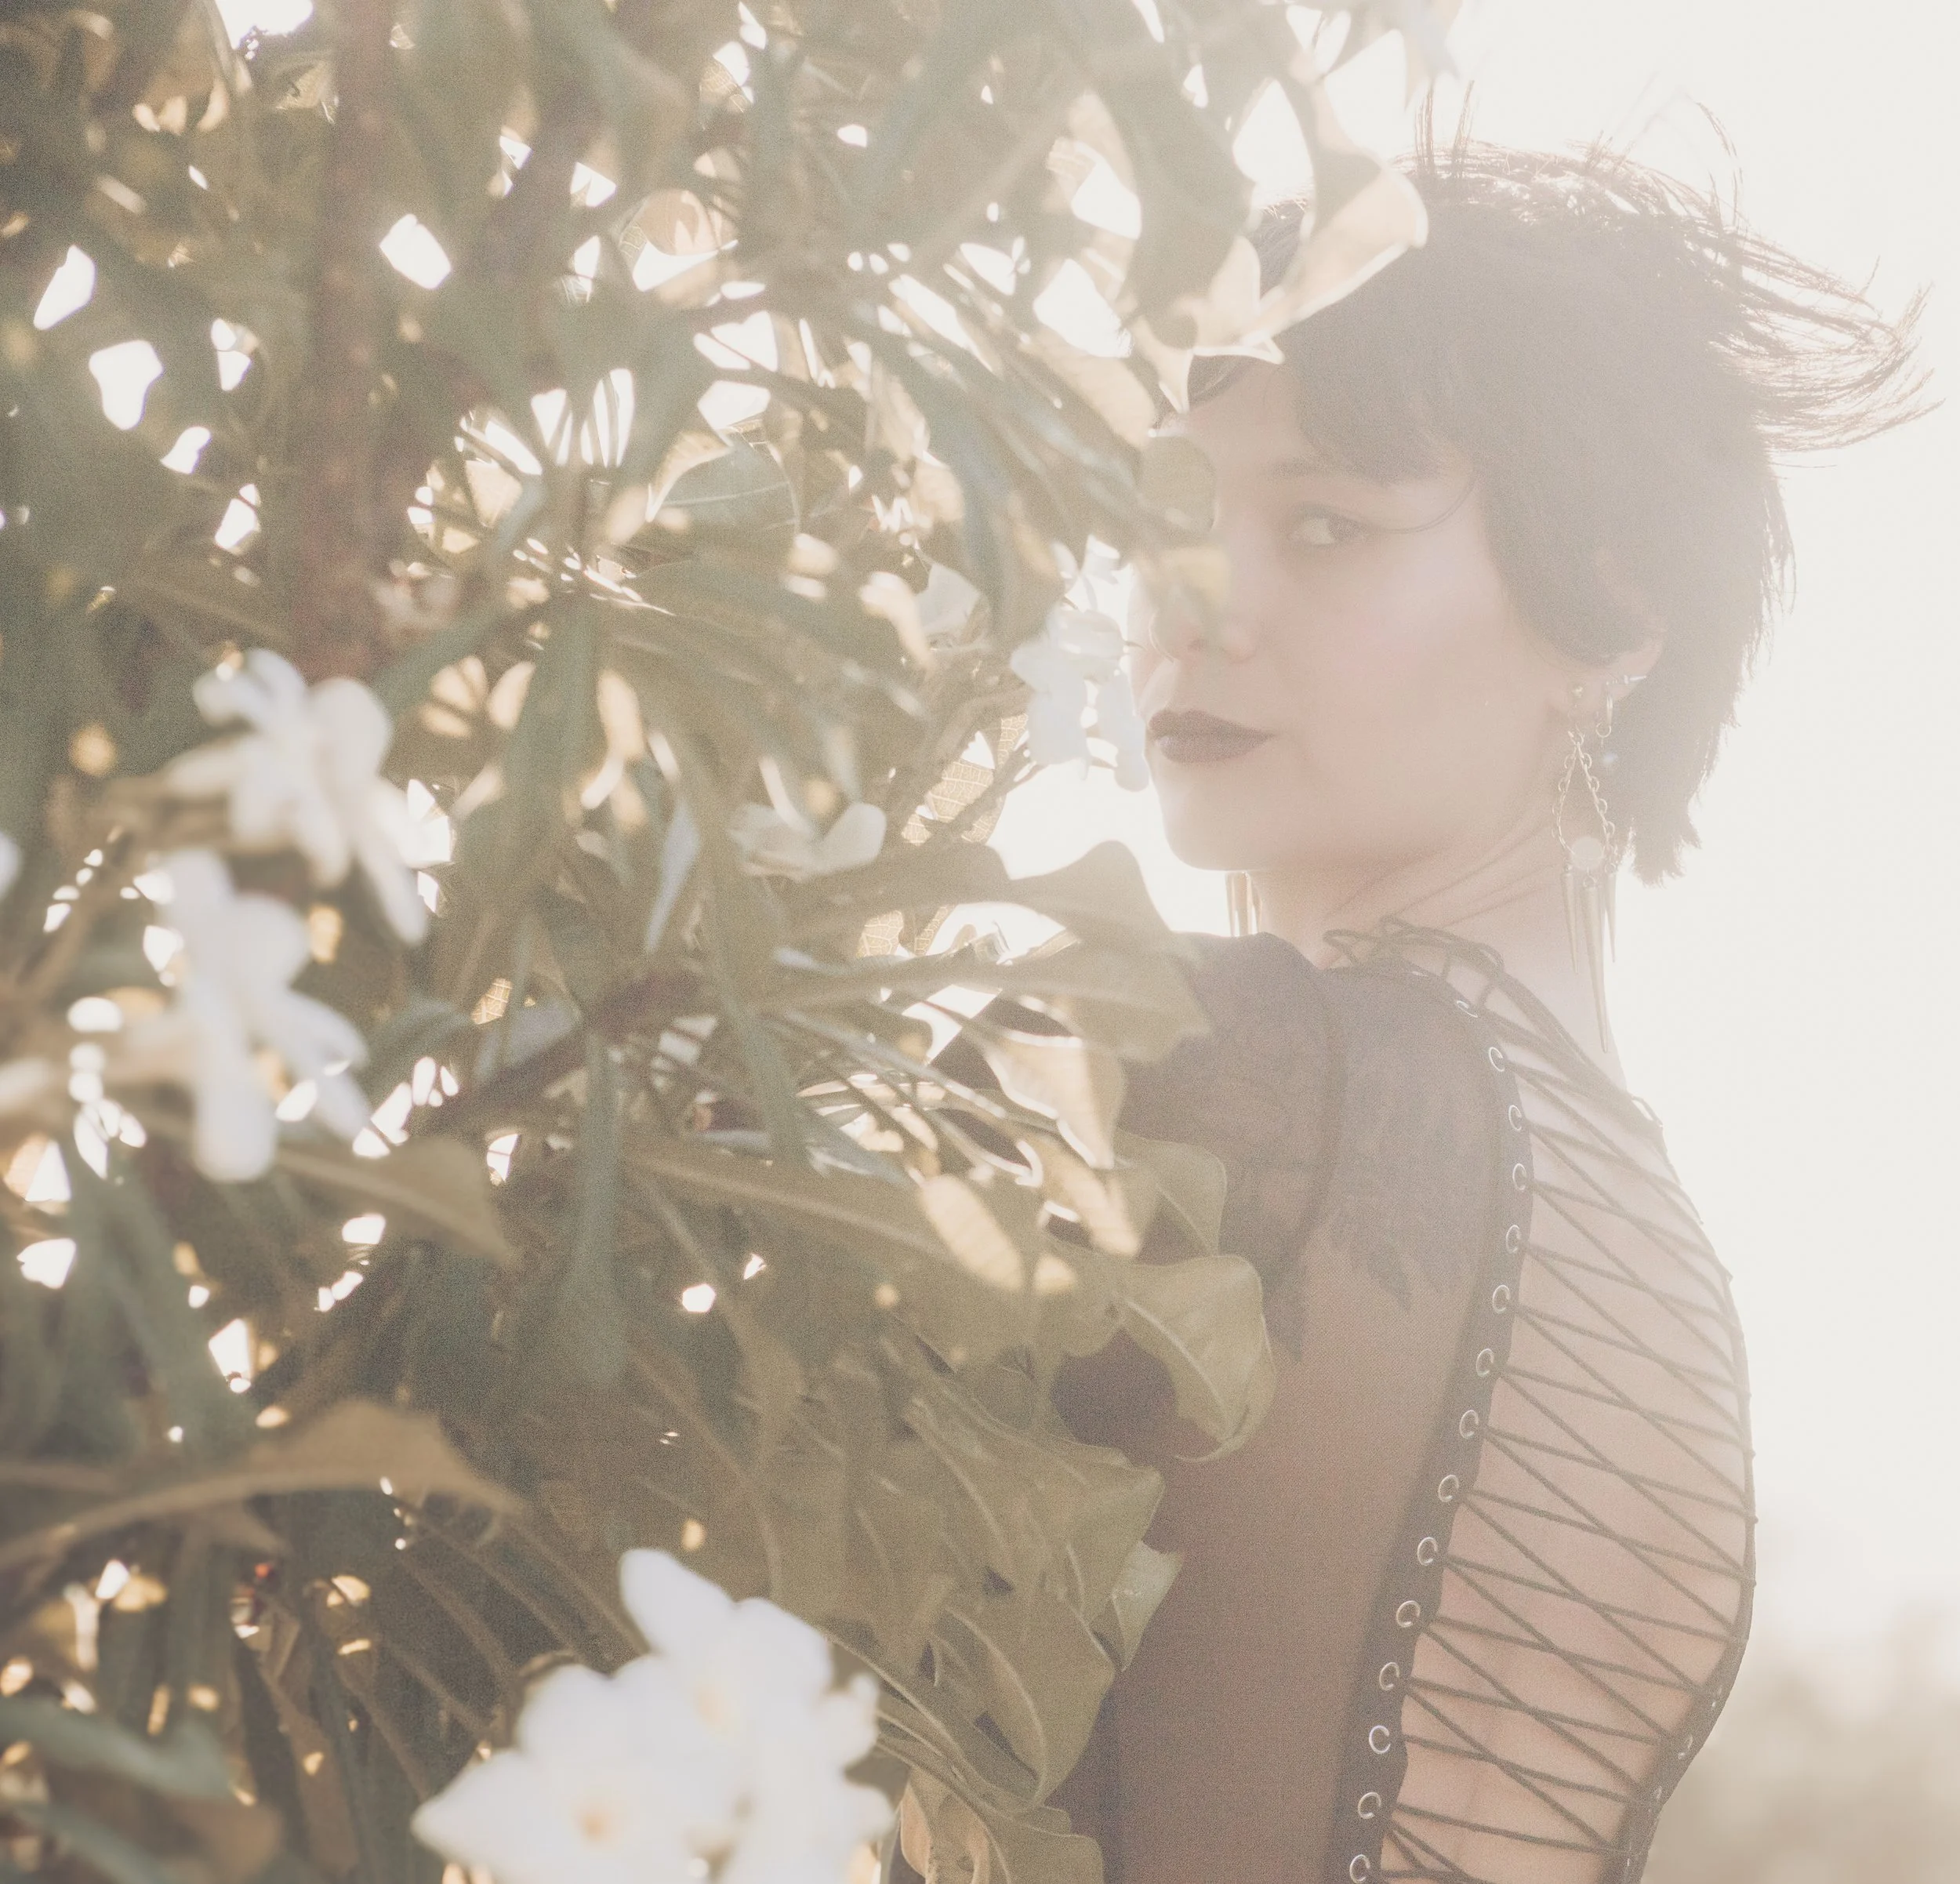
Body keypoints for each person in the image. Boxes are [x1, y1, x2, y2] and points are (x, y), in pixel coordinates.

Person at [1048, 134, 1926, 1883]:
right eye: (1163, 519)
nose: (1191, 610)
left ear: (1604, 616)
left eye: (1323, 524)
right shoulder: (1672, 1263)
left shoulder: (1236, 1081)